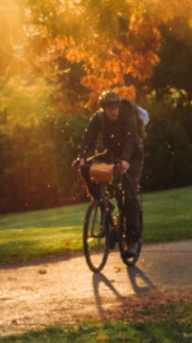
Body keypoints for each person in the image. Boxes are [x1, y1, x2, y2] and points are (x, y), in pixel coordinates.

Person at [73, 90, 146, 259]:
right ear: (104, 109)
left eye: (116, 108)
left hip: (132, 156)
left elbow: (131, 139)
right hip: (112, 154)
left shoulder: (128, 116)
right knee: (85, 168)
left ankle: (132, 241)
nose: (114, 111)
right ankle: (101, 201)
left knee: (128, 195)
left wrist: (125, 160)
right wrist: (82, 158)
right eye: (110, 109)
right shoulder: (98, 118)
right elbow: (89, 138)